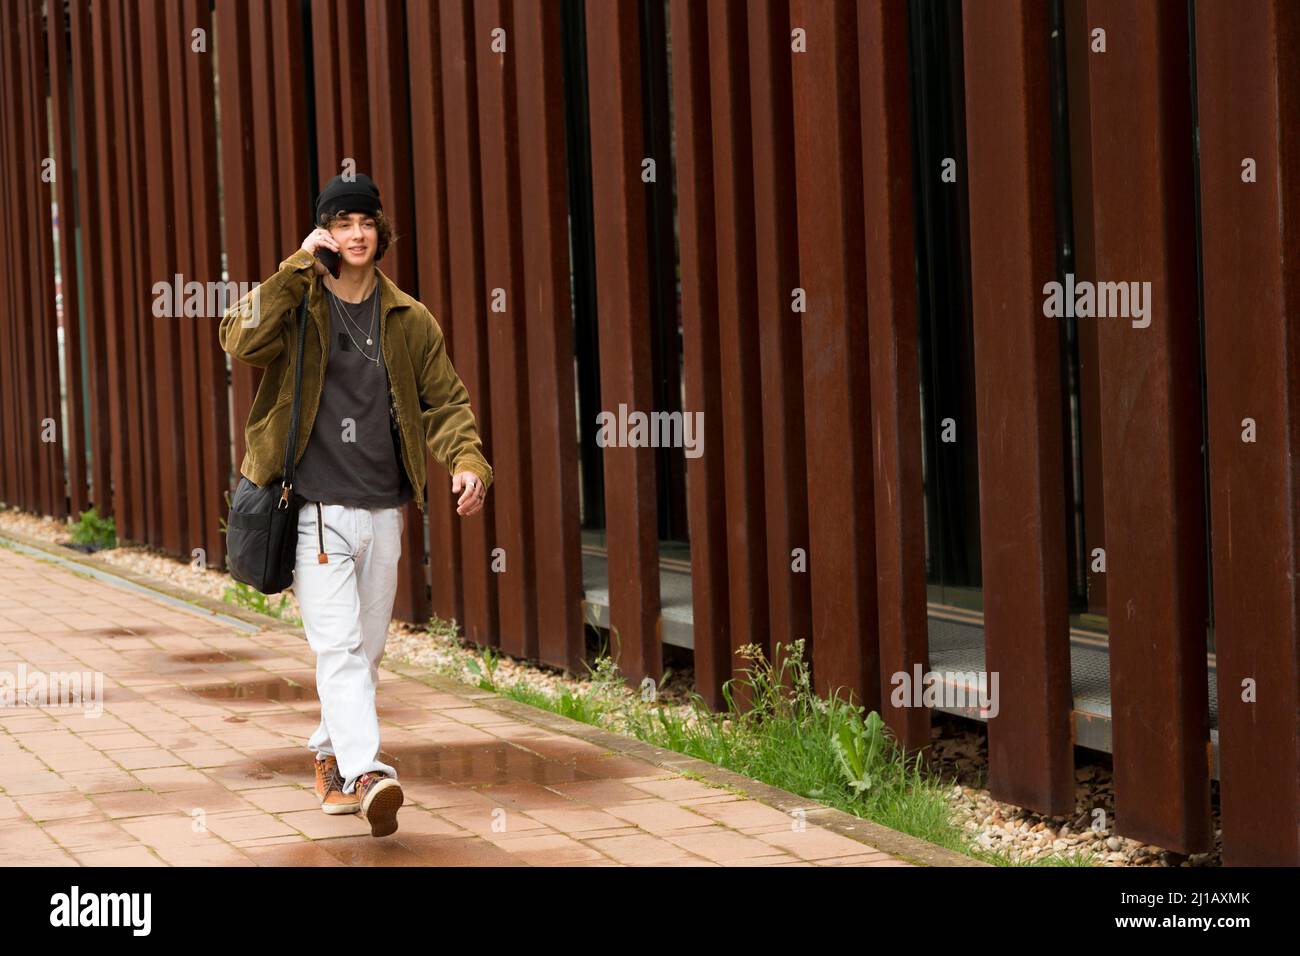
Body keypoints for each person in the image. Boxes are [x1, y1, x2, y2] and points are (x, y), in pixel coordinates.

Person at [219, 172, 493, 837]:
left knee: (365, 653)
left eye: (365, 222)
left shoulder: (408, 317)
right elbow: (237, 338)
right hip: (313, 508)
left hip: (382, 508)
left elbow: (445, 402)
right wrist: (293, 269)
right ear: (326, 235)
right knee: (338, 648)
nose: (357, 234)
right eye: (342, 224)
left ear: (380, 232)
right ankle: (366, 771)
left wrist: (465, 461)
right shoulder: (299, 306)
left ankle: (326, 755)